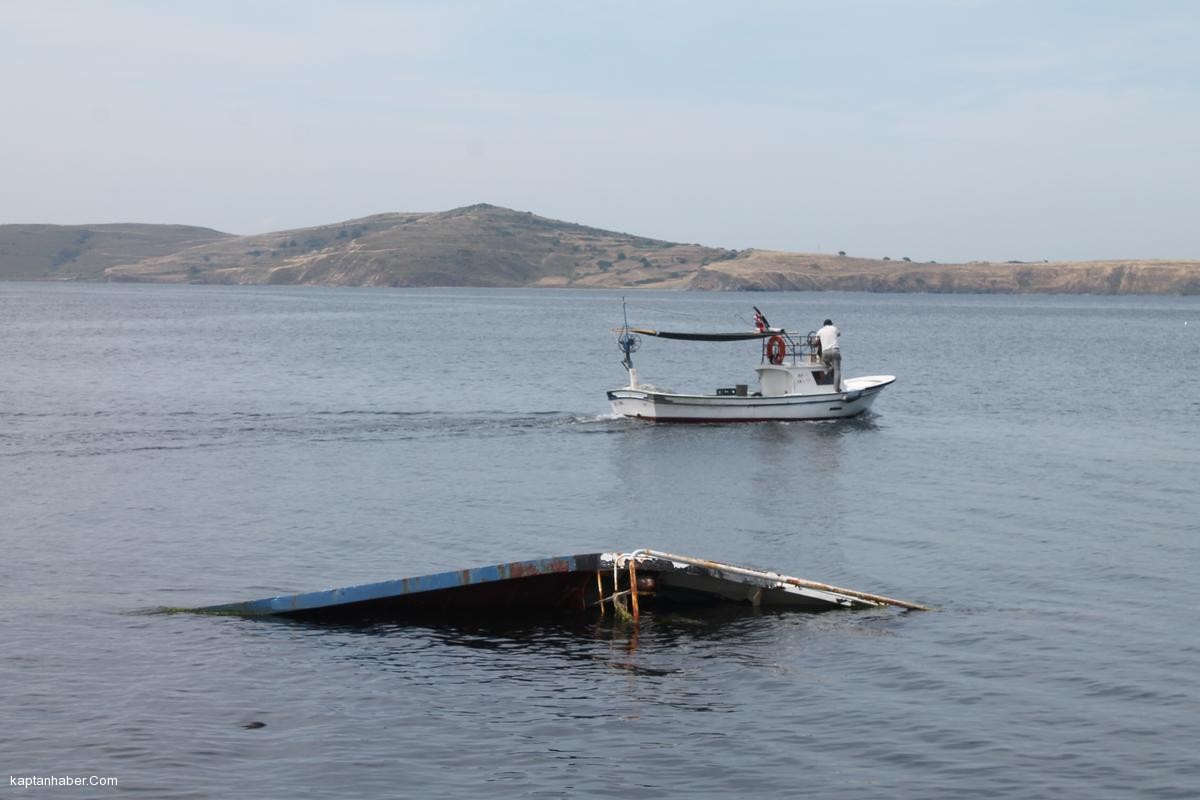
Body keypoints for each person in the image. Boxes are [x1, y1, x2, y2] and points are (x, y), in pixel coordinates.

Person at [816, 318, 841, 391]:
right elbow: (839, 334)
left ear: (824, 325)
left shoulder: (820, 331)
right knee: (837, 370)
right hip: (835, 351)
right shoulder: (834, 328)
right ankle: (837, 389)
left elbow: (815, 342)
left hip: (825, 353)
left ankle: (829, 367)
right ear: (831, 324)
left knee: (827, 362)